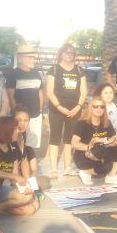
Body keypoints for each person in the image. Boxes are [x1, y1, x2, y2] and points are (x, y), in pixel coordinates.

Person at [46, 44, 87, 178]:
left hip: (74, 110)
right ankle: (53, 169)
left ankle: (67, 167)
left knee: (69, 139)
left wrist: (78, 107)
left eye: (72, 53)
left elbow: (84, 91)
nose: (69, 55)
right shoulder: (54, 70)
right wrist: (60, 107)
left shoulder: (80, 71)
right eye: (66, 52)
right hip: (56, 109)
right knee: (55, 138)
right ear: (61, 54)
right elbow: (49, 92)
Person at [71, 97, 117, 186]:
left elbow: (113, 138)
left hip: (102, 153)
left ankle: (111, 176)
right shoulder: (82, 123)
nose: (99, 109)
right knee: (104, 166)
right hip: (84, 155)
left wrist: (111, 141)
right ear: (90, 108)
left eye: (102, 107)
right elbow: (74, 143)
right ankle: (86, 172)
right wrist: (90, 147)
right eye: (95, 106)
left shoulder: (106, 122)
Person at [5, 44, 44, 149]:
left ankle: (30, 163)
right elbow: (10, 96)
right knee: (17, 143)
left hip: (35, 115)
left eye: (34, 57)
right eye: (30, 57)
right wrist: (16, 114)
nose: (33, 60)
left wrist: (40, 111)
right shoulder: (13, 74)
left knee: (32, 145)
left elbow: (40, 93)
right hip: (20, 117)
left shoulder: (36, 73)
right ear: (21, 58)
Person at [13, 107, 39, 180]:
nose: (22, 123)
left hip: (19, 170)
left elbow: (25, 161)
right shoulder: (8, 138)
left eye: (26, 120)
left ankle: (32, 183)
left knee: (30, 151)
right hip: (9, 172)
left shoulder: (23, 137)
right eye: (19, 120)